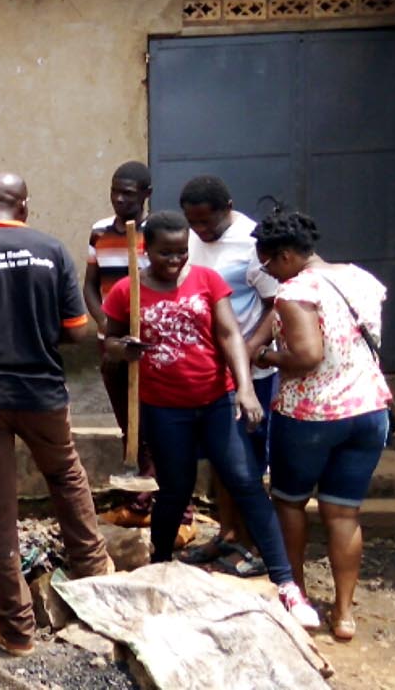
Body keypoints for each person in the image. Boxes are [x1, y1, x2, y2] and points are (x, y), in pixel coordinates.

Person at [102, 211, 320, 628]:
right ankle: (160, 566)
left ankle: (287, 585)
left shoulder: (206, 280)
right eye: (166, 253)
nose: (175, 260)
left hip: (216, 398)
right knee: (176, 488)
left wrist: (245, 387)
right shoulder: (127, 291)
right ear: (147, 250)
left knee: (243, 479)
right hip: (164, 406)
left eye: (181, 252)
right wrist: (121, 348)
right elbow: (108, 343)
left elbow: (229, 334)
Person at [0, 173, 113, 656]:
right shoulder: (51, 250)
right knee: (67, 477)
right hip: (43, 394)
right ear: (26, 206)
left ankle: (16, 629)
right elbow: (78, 332)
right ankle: (96, 579)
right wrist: (35, 327)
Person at [251, 210, 393, 642]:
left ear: (288, 255)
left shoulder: (295, 292)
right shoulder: (360, 277)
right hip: (369, 411)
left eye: (270, 264)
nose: (269, 273)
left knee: (290, 503)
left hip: (311, 416)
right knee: (344, 513)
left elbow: (308, 355)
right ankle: (345, 614)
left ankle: (297, 596)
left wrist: (269, 357)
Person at [177, 175, 280, 573]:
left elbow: (275, 304)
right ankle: (227, 533)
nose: (201, 231)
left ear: (228, 207)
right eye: (194, 223)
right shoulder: (188, 239)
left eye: (207, 223)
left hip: (250, 372)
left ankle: (253, 545)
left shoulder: (253, 241)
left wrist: (247, 354)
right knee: (221, 459)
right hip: (206, 371)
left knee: (248, 464)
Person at [83, 163, 159, 527]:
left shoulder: (159, 235)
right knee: (128, 424)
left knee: (155, 423)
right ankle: (138, 500)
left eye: (128, 193)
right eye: (115, 191)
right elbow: (90, 285)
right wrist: (105, 326)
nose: (119, 199)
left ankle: (155, 503)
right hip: (110, 342)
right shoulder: (99, 231)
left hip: (148, 344)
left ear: (147, 194)